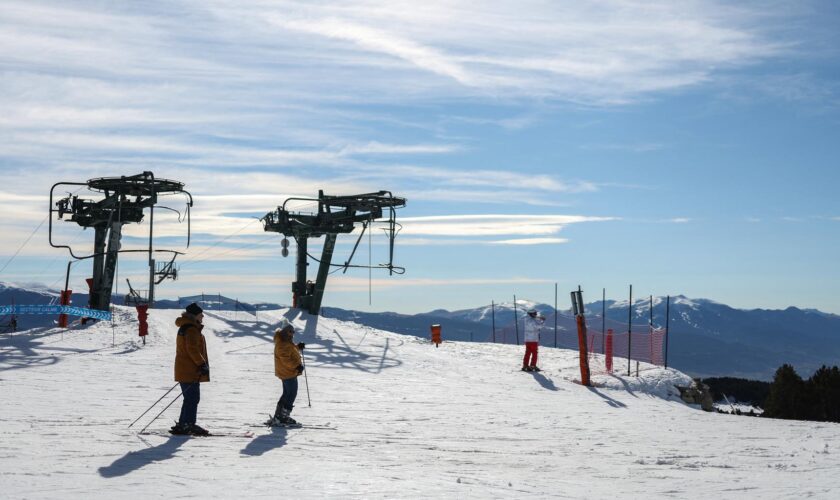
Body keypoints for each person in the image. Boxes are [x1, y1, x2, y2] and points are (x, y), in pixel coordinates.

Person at [170, 302, 211, 436]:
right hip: (189, 369)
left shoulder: (185, 327)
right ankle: (187, 424)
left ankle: (184, 423)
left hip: (185, 368)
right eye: (201, 314)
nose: (203, 316)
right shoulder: (191, 329)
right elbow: (192, 349)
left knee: (189, 398)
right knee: (193, 398)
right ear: (195, 316)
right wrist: (201, 364)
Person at [266, 318, 305, 427]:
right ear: (285, 331)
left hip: (288, 372)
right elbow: (285, 359)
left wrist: (298, 347)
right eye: (290, 331)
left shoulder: (285, 341)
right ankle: (283, 417)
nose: (292, 334)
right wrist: (297, 366)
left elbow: (290, 350)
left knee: (287, 394)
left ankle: (279, 416)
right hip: (288, 372)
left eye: (293, 332)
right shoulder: (283, 343)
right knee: (291, 394)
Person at [522, 308, 544, 372]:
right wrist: (542, 321)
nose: (535, 315)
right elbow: (538, 326)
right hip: (533, 339)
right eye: (534, 314)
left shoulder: (527, 320)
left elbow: (534, 319)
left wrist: (538, 318)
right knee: (534, 353)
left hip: (527, 339)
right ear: (531, 314)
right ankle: (533, 365)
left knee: (528, 352)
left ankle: (525, 365)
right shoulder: (532, 321)